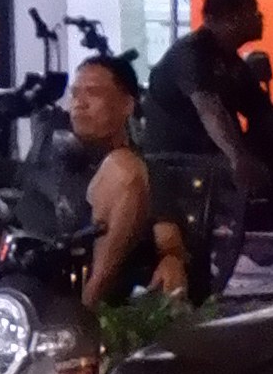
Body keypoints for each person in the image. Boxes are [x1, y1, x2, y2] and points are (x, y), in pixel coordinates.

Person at [143, 0, 273, 229]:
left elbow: (267, 116)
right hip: (180, 161)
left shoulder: (232, 62)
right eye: (252, 10)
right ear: (229, 18)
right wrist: (238, 158)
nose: (260, 17)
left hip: (209, 158)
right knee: (266, 173)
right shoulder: (191, 54)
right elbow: (209, 110)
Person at [66, 47, 198, 310]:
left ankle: (86, 307)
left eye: (92, 93)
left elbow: (169, 241)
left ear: (127, 105)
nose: (79, 103)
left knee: (122, 168)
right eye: (75, 94)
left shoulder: (139, 169)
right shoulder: (50, 160)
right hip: (25, 290)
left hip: (88, 302)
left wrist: (171, 260)